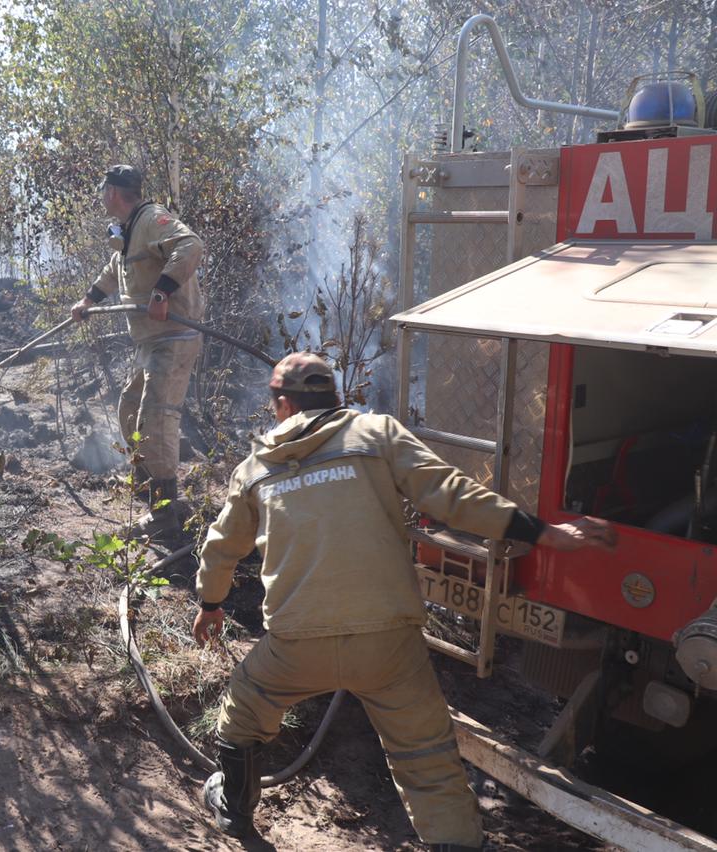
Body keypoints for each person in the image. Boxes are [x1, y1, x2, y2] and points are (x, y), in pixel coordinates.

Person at [192, 352, 617, 848]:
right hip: (388, 644)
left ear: (283, 404)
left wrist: (210, 603)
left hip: (295, 644)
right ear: (335, 398)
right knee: (426, 758)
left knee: (244, 711)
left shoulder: (256, 467)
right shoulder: (378, 435)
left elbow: (221, 548)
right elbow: (453, 495)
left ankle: (234, 811)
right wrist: (544, 533)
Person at [70, 165, 205, 541]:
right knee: (129, 411)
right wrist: (88, 300)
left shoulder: (151, 219)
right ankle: (153, 498)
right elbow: (116, 271)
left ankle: (164, 518)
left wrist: (162, 292)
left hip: (174, 337)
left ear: (113, 192)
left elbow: (190, 244)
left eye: (102, 190)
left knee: (155, 419)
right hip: (151, 342)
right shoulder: (130, 231)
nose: (101, 197)